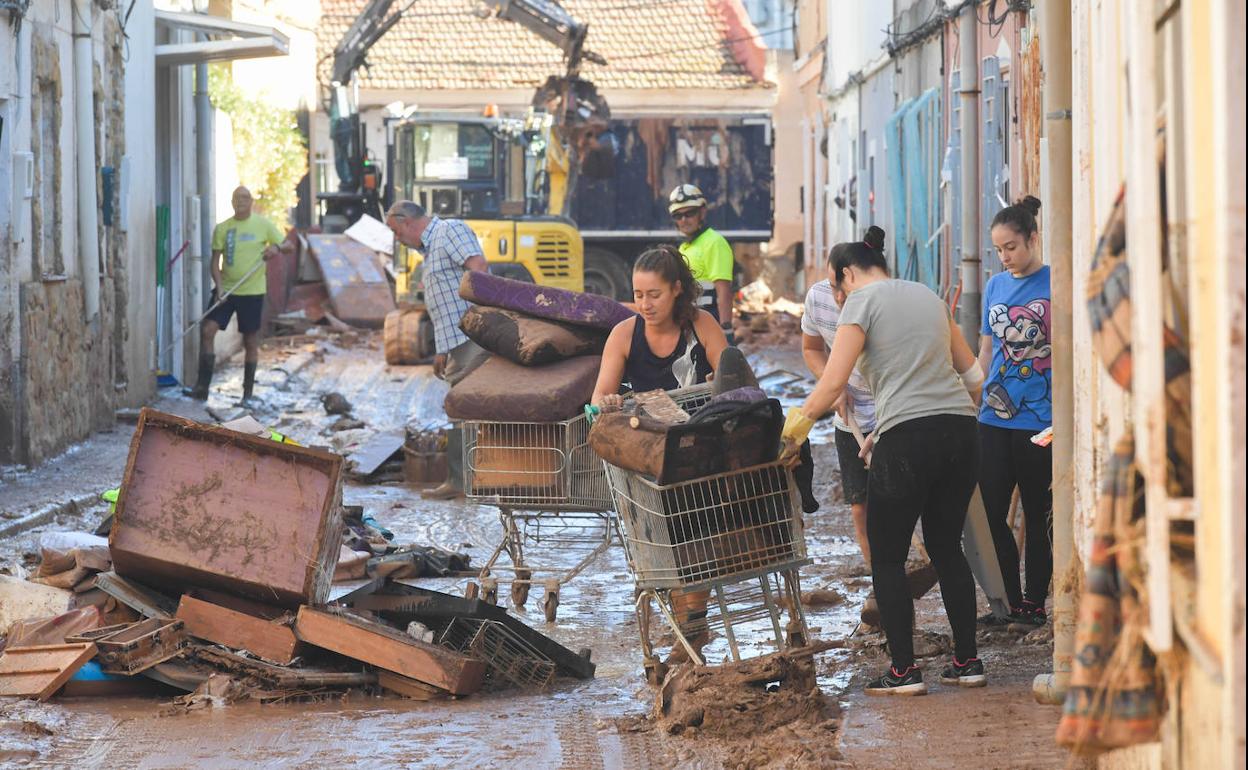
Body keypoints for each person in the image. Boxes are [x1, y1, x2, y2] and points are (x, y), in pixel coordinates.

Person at [780, 228, 987, 696]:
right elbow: (974, 375)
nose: (837, 297)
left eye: (836, 287)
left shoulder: (859, 302)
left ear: (847, 275)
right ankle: (968, 662)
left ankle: (904, 672)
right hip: (961, 432)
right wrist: (926, 420)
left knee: (888, 557)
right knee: (946, 546)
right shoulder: (929, 297)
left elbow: (833, 384)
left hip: (907, 441)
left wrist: (791, 435)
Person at [591, 245, 729, 664]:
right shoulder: (624, 334)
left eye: (654, 294)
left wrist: (719, 380)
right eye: (638, 295)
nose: (645, 304)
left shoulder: (702, 325)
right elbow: (599, 396)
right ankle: (688, 627)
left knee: (696, 533)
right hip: (650, 454)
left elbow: (735, 378)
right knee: (660, 541)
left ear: (676, 290)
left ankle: (692, 628)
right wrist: (609, 402)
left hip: (700, 449)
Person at [977, 196, 1053, 628]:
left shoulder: (1055, 283)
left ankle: (1035, 603)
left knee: (1039, 512)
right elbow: (986, 351)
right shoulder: (995, 287)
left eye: (1011, 247)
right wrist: (972, 395)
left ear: (1032, 239)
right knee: (989, 512)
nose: (1004, 257)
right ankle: (1008, 599)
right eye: (998, 249)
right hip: (993, 417)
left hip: (1041, 421)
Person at [386, 200, 490, 500]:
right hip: (456, 340)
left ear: (406, 222)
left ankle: (463, 481)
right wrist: (442, 350)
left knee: (461, 404)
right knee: (460, 406)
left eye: (396, 232)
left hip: (471, 335)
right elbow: (445, 304)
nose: (398, 239)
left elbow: (479, 268)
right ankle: (463, 480)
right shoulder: (431, 251)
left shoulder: (449, 231)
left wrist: (480, 321)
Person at [185, 186, 293, 405]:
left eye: (245, 197)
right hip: (226, 291)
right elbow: (215, 262)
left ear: (251, 201)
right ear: (232, 202)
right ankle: (202, 388)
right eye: (236, 197)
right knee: (207, 330)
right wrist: (219, 287)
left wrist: (276, 249)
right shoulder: (223, 228)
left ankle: (247, 394)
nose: (240, 201)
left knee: (250, 341)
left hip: (252, 292)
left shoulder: (263, 225)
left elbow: (288, 245)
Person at [669, 184, 735, 336]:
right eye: (678, 216)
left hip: (710, 322)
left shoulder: (714, 242)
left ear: (702, 212)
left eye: (689, 213)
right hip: (691, 322)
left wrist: (726, 329)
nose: (684, 220)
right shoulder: (685, 247)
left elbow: (723, 290)